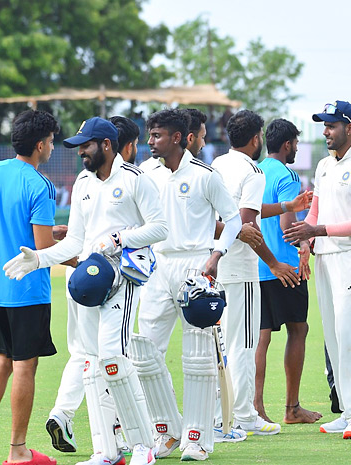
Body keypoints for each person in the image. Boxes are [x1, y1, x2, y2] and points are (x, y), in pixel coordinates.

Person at [4, 116, 168, 465]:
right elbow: (75, 241)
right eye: (78, 147)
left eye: (86, 146)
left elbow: (160, 228)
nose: (81, 153)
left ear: (106, 145)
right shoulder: (82, 182)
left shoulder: (135, 178)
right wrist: (40, 259)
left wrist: (120, 238)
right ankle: (106, 451)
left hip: (122, 279)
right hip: (88, 282)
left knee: (113, 359)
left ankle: (143, 446)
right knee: (92, 364)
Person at [130, 109, 242, 461]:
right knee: (145, 352)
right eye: (150, 135)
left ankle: (198, 437)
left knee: (198, 355)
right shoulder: (146, 174)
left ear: (177, 137)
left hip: (196, 264)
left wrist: (217, 254)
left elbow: (234, 219)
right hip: (157, 266)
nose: (150, 141)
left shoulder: (205, 175)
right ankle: (166, 431)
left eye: (157, 135)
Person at [283, 100, 351, 439]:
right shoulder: (325, 165)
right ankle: (349, 409)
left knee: (349, 335)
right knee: (334, 338)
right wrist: (306, 241)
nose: (326, 131)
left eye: (331, 125)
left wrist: (319, 230)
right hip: (326, 256)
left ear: (349, 128)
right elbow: (316, 213)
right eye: (324, 126)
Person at [0, 110, 60, 465]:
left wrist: (52, 233)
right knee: (24, 365)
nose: (52, 147)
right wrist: (79, 257)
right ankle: (18, 450)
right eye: (51, 142)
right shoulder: (40, 184)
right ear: (39, 145)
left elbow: (10, 224)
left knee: (2, 358)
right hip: (26, 289)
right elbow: (42, 249)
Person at [212, 110, 300, 437]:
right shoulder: (253, 171)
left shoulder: (217, 164)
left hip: (216, 264)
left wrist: (286, 207)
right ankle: (245, 416)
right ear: (255, 138)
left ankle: (221, 417)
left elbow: (246, 210)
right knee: (244, 346)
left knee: (221, 345)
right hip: (240, 268)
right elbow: (247, 224)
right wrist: (273, 263)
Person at [254, 118, 322, 425]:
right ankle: (292, 408)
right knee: (298, 329)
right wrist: (304, 245)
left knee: (261, 336)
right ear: (287, 145)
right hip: (285, 267)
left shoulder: (256, 171)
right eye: (295, 143)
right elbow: (287, 226)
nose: (295, 148)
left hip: (258, 263)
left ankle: (255, 407)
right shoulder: (287, 175)